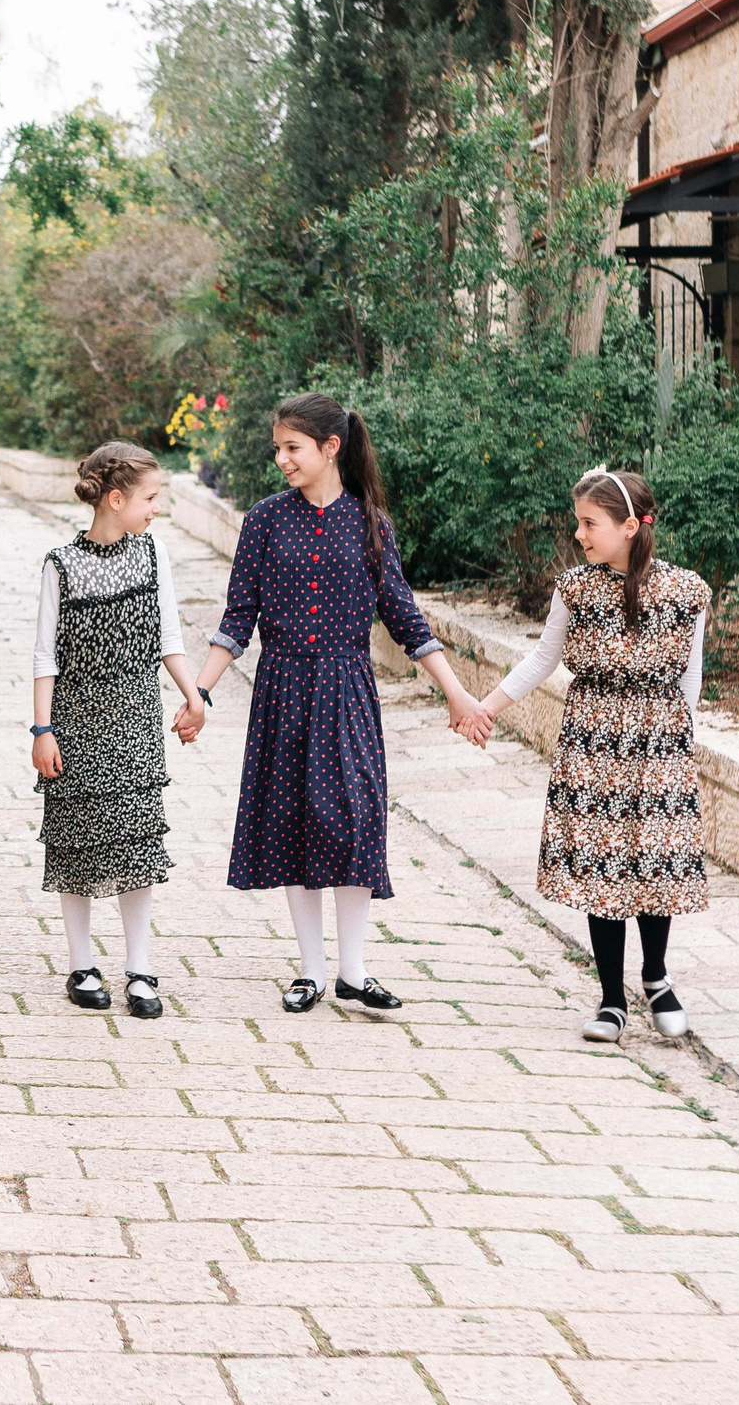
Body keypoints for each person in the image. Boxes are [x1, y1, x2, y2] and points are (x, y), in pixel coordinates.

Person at [190, 393, 485, 1015]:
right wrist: (201, 692)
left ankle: (354, 971)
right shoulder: (265, 520)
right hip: (282, 691)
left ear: (330, 448)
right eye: (277, 448)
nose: (281, 459)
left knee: (354, 822)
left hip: (347, 691)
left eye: (292, 448)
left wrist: (456, 691)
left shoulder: (370, 523)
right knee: (294, 823)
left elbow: (404, 616)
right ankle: (312, 971)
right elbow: (238, 617)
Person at [459, 466, 712, 1043]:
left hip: (660, 745)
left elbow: (691, 675)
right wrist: (485, 707)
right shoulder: (574, 589)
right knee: (601, 864)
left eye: (589, 523)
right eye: (579, 522)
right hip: (592, 742)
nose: (579, 534)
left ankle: (656, 976)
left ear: (629, 527)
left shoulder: (687, 591)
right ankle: (610, 999)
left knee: (655, 859)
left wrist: (680, 745)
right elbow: (542, 660)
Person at [33, 442, 206, 1021]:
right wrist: (42, 730)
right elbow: (45, 655)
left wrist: (193, 696)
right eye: (150, 497)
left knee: (137, 843)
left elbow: (169, 638)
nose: (157, 508)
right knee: (76, 841)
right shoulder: (60, 565)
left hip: (136, 720)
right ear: (115, 499)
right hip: (75, 722)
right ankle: (81, 965)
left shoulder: (153, 554)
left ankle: (139, 968)